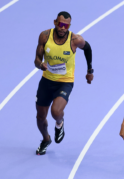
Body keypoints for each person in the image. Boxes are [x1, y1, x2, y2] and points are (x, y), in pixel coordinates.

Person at [34, 11, 94, 155]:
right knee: (40, 117)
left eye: (66, 26)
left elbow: (88, 48)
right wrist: (40, 65)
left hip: (65, 82)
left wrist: (90, 70)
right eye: (60, 24)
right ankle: (46, 139)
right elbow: (36, 59)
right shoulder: (45, 36)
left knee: (56, 112)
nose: (63, 28)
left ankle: (59, 124)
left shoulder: (75, 40)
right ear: (55, 22)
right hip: (46, 81)